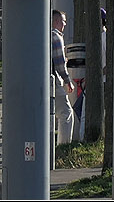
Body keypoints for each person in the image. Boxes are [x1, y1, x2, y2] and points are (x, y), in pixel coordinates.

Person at [51, 9, 76, 145]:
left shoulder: (45, 35)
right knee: (66, 113)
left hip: (44, 80)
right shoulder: (56, 36)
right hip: (54, 80)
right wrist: (68, 80)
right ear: (56, 21)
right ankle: (64, 144)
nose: (65, 24)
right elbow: (59, 62)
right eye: (63, 21)